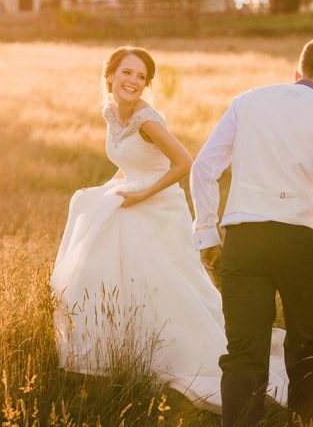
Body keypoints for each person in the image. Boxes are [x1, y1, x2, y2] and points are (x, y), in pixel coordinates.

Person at [51, 46, 288, 412]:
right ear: (109, 75)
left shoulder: (146, 120)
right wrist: (108, 188)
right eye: (127, 73)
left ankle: (185, 356)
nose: (133, 81)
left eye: (141, 77)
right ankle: (118, 353)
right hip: (132, 198)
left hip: (158, 208)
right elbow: (130, 162)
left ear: (147, 85)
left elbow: (184, 163)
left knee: (166, 285)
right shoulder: (111, 113)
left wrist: (144, 192)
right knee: (112, 276)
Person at [191, 35, 313, 427]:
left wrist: (207, 235)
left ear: (296, 72)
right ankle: (303, 422)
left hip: (244, 240)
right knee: (306, 346)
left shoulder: (247, 101)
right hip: (300, 243)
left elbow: (203, 167)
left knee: (243, 354)